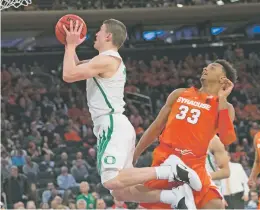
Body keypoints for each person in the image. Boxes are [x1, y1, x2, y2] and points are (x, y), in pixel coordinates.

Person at [62, 19, 202, 208]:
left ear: (108, 36)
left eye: (99, 31)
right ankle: (173, 196)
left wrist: (70, 45)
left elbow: (69, 75)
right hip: (115, 125)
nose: (95, 34)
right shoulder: (105, 60)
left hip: (112, 124)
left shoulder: (107, 59)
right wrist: (69, 45)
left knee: (111, 180)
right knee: (120, 191)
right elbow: (74, 66)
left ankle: (171, 170)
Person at [133, 60, 238, 209]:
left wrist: (221, 98)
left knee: (215, 205)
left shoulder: (225, 107)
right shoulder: (180, 93)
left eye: (212, 67)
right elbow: (156, 127)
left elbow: (226, 139)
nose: (205, 68)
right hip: (166, 159)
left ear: (223, 79)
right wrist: (136, 152)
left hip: (194, 164)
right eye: (206, 66)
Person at [205, 135, 230, 206]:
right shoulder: (182, 138)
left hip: (211, 191)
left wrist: (202, 177)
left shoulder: (213, 140)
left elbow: (226, 172)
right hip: (189, 192)